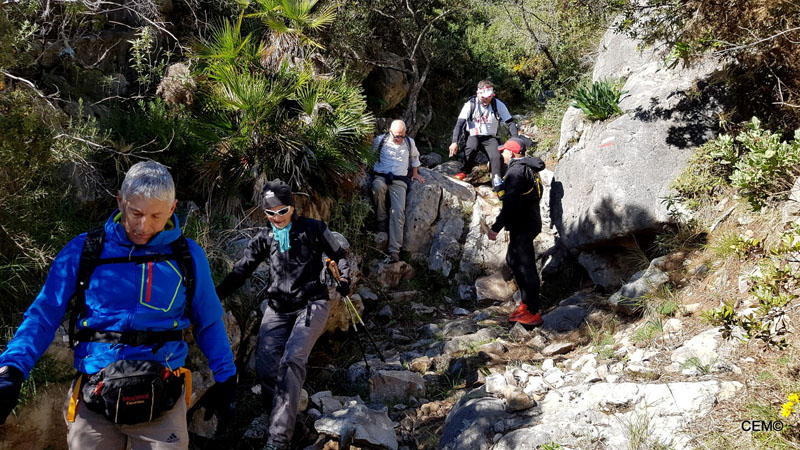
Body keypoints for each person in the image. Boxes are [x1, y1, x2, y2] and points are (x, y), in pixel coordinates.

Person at [0, 161, 237, 449]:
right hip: (95, 392)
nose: (143, 226)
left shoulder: (187, 256)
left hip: (162, 394)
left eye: (156, 216)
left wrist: (226, 380)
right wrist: (12, 368)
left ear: (173, 209)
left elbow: (209, 321)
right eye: (135, 212)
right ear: (120, 201)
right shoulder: (84, 249)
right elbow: (43, 314)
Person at [215, 179, 351, 450]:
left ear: (292, 206)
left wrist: (344, 280)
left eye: (282, 211)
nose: (277, 217)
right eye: (270, 213)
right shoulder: (264, 238)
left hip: (312, 304)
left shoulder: (314, 229)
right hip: (277, 308)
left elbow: (340, 255)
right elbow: (241, 271)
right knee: (265, 370)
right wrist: (212, 296)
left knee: (291, 362)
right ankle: (297, 430)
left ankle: (278, 440)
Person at [487, 137, 545, 327]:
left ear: (511, 153)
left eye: (504, 151)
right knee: (513, 259)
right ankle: (526, 304)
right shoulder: (527, 168)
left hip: (523, 224)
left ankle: (532, 311)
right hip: (528, 221)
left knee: (525, 265)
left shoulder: (515, 172)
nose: (502, 154)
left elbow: (510, 204)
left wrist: (495, 228)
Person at [448, 80, 519, 194]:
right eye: (484, 97)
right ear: (478, 94)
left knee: (496, 156)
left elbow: (510, 122)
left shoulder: (497, 104)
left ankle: (497, 180)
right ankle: (465, 171)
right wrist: (454, 142)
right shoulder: (470, 104)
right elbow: (460, 124)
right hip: (473, 135)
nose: (487, 99)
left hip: (490, 137)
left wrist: (516, 139)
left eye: (489, 97)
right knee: (471, 148)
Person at [371, 119, 425, 263]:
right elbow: (369, 156)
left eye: (401, 136)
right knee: (377, 187)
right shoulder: (380, 140)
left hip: (399, 180)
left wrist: (415, 173)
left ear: (405, 133)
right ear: (390, 132)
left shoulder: (409, 142)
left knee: (398, 212)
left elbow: (415, 158)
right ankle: (381, 219)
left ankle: (394, 250)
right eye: (396, 136)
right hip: (381, 176)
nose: (399, 139)